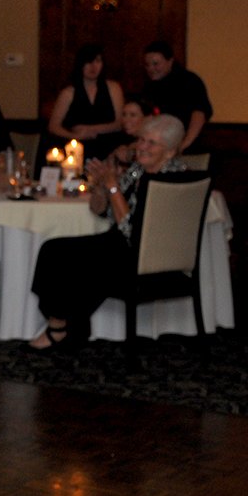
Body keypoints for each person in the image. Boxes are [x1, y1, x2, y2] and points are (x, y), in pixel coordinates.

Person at [28, 114, 188, 350]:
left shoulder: (173, 179)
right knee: (53, 249)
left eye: (151, 143)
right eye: (141, 140)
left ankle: (61, 328)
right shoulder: (138, 170)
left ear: (170, 152)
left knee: (79, 260)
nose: (142, 147)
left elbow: (131, 230)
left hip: (147, 255)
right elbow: (100, 211)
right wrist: (102, 185)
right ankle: (65, 323)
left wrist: (113, 185)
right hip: (122, 244)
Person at [47, 43, 125, 159]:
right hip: (77, 147)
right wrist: (75, 136)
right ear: (80, 64)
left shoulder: (114, 88)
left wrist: (90, 129)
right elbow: (53, 126)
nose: (93, 67)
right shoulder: (68, 93)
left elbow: (120, 123)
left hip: (109, 145)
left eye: (97, 61)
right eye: (88, 62)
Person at [142, 41, 212, 152]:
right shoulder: (148, 86)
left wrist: (184, 144)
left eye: (156, 64)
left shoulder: (189, 81)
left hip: (188, 145)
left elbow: (199, 113)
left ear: (170, 61)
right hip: (157, 148)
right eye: (147, 65)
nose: (151, 68)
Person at [105, 95, 152, 173]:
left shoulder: (152, 143)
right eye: (124, 114)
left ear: (147, 118)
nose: (126, 120)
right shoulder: (122, 140)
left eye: (132, 115)